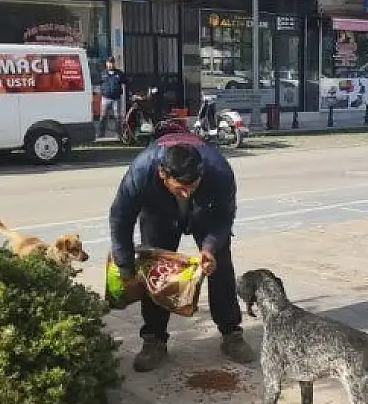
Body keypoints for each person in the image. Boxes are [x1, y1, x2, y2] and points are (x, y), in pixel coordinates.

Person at [108, 121, 255, 372]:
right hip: (158, 212)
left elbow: (224, 217)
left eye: (192, 186)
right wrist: (124, 265)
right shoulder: (141, 172)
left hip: (206, 212)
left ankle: (231, 333)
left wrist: (209, 247)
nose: (186, 193)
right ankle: (154, 339)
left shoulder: (218, 172)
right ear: (163, 175)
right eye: (181, 188)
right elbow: (120, 217)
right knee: (156, 273)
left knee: (219, 267)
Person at [97, 58, 126, 138]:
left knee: (117, 117)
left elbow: (125, 81)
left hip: (116, 99)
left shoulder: (119, 73)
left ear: (114, 63)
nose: (111, 64)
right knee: (103, 116)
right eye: (109, 63)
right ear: (106, 63)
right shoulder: (102, 73)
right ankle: (100, 135)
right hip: (105, 98)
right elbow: (98, 83)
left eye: (112, 63)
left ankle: (119, 135)